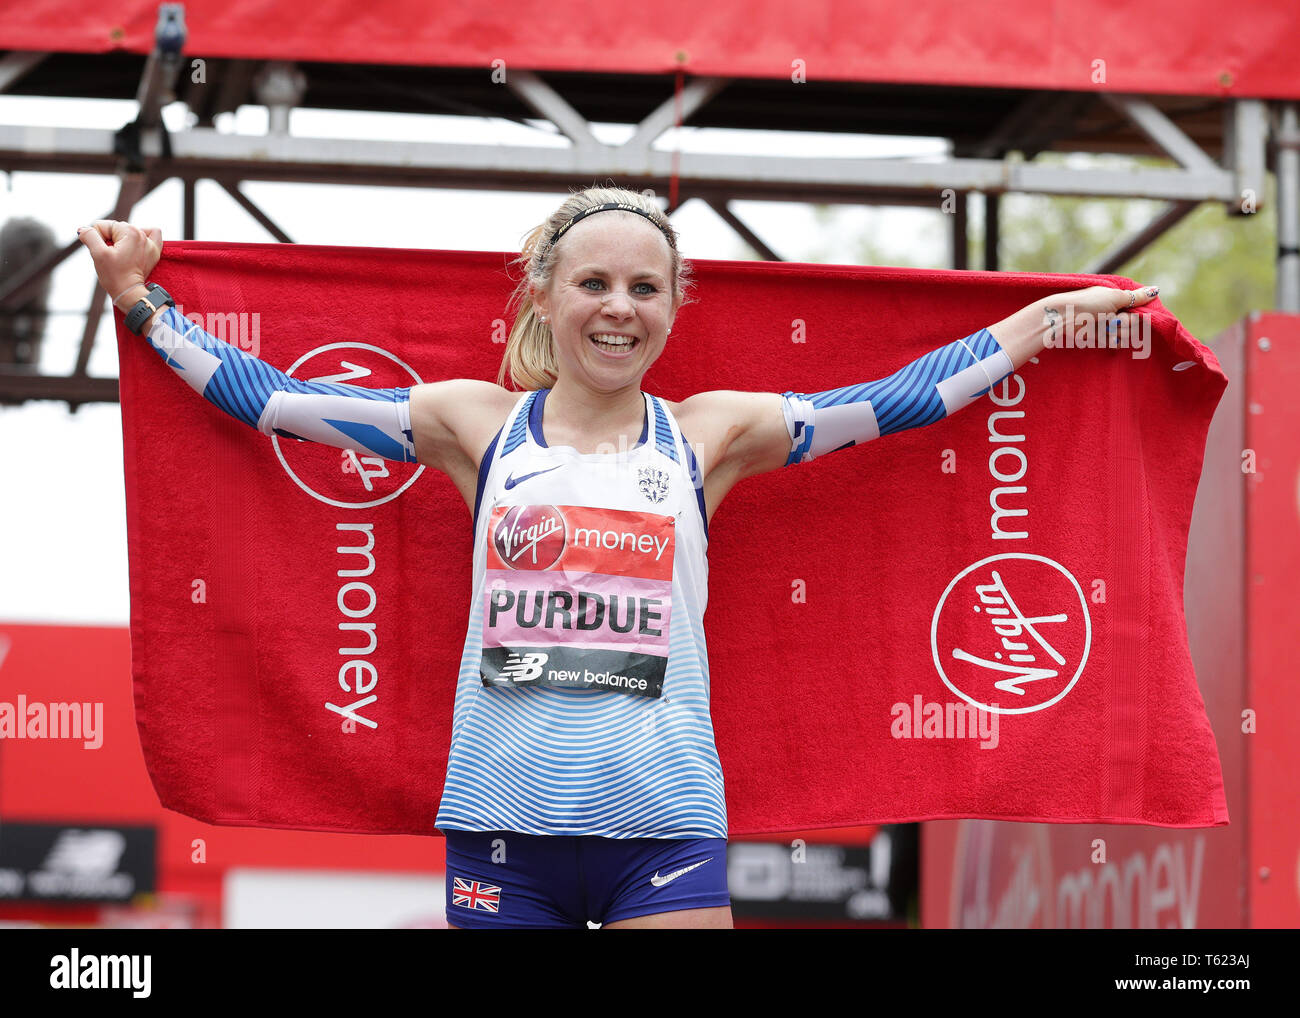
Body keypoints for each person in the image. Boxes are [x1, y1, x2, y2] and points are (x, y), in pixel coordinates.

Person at [79, 185, 1157, 929]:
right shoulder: (472, 422)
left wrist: (1047, 320)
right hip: (505, 826)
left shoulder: (709, 434)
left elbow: (888, 406)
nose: (618, 309)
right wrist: (141, 302)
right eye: (594, 284)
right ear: (544, 295)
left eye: (645, 290)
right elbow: (271, 402)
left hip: (665, 826)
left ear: (675, 308)